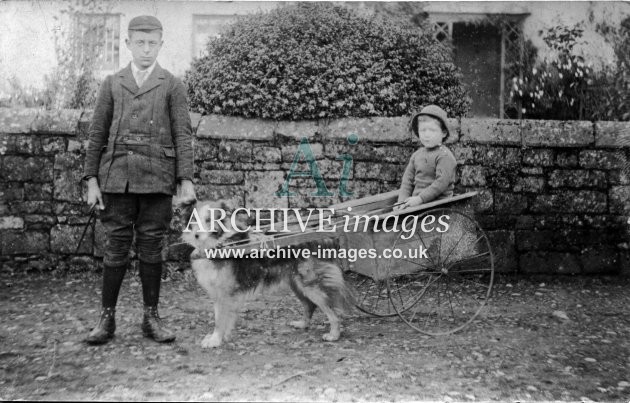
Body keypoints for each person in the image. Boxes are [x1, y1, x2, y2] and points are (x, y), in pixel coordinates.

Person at [83, 15, 196, 345]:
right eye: (140, 43)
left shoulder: (172, 84)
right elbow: (97, 134)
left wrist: (184, 179)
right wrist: (91, 179)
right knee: (115, 247)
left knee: (151, 248)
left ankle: (151, 317)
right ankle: (107, 319)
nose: (146, 49)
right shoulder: (112, 83)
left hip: (158, 178)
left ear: (161, 45)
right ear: (128, 44)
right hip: (117, 178)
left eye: (152, 43)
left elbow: (182, 134)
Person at [396, 105, 457, 210]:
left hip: (438, 205)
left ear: (443, 133)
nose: (426, 135)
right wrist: (401, 202)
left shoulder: (444, 156)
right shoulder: (417, 155)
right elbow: (407, 181)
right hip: (417, 204)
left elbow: (440, 183)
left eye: (432, 130)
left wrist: (420, 199)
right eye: (423, 130)